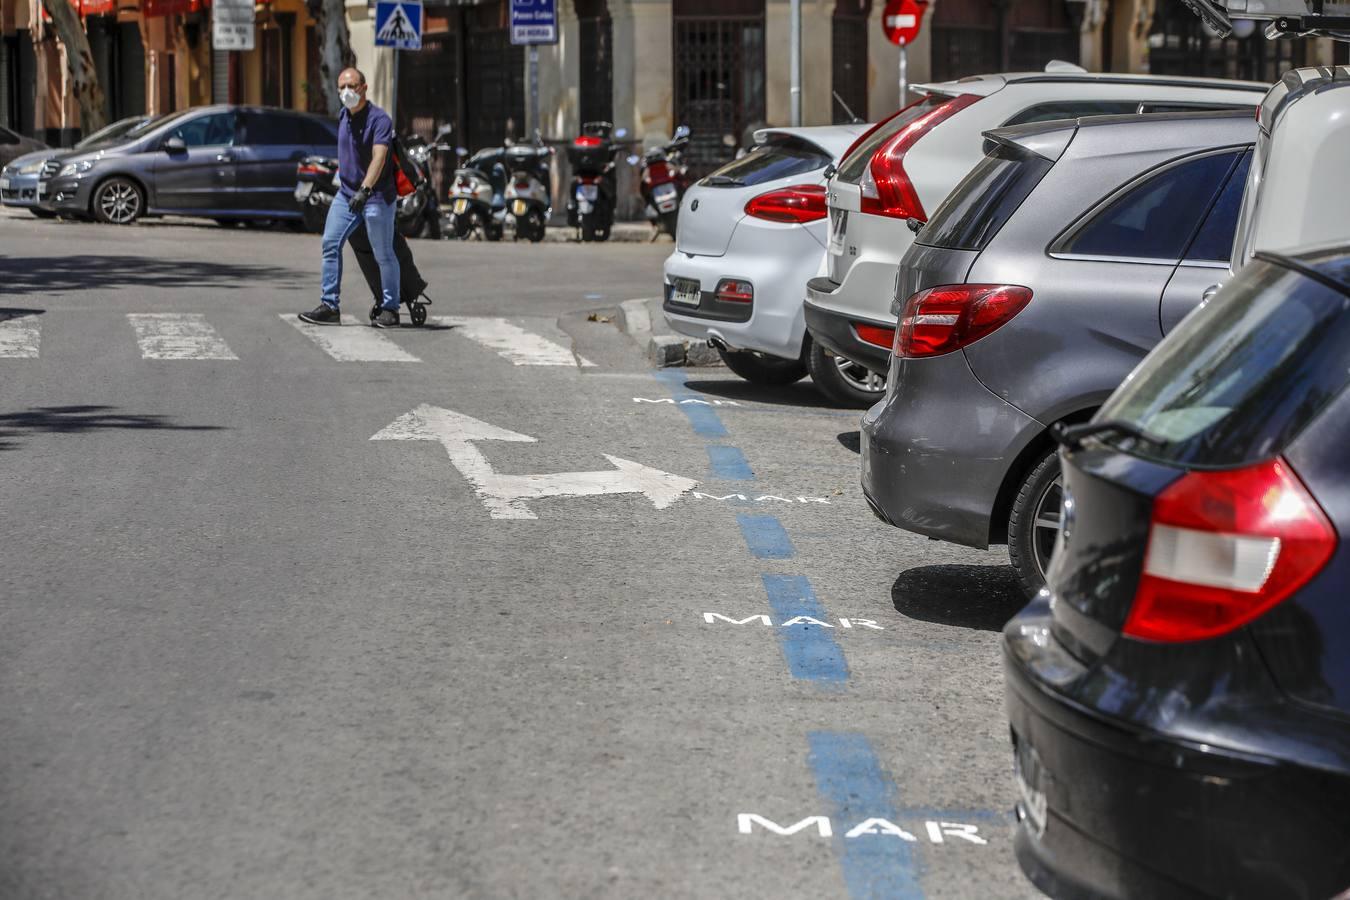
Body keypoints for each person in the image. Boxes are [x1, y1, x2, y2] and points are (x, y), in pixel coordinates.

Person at [299, 67, 401, 328]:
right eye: (342, 87)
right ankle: (330, 306)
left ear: (364, 88)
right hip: (346, 196)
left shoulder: (379, 120)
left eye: (352, 86)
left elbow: (379, 158)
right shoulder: (344, 115)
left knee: (383, 254)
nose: (346, 92)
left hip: (375, 196)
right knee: (330, 244)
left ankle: (390, 308)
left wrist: (365, 190)